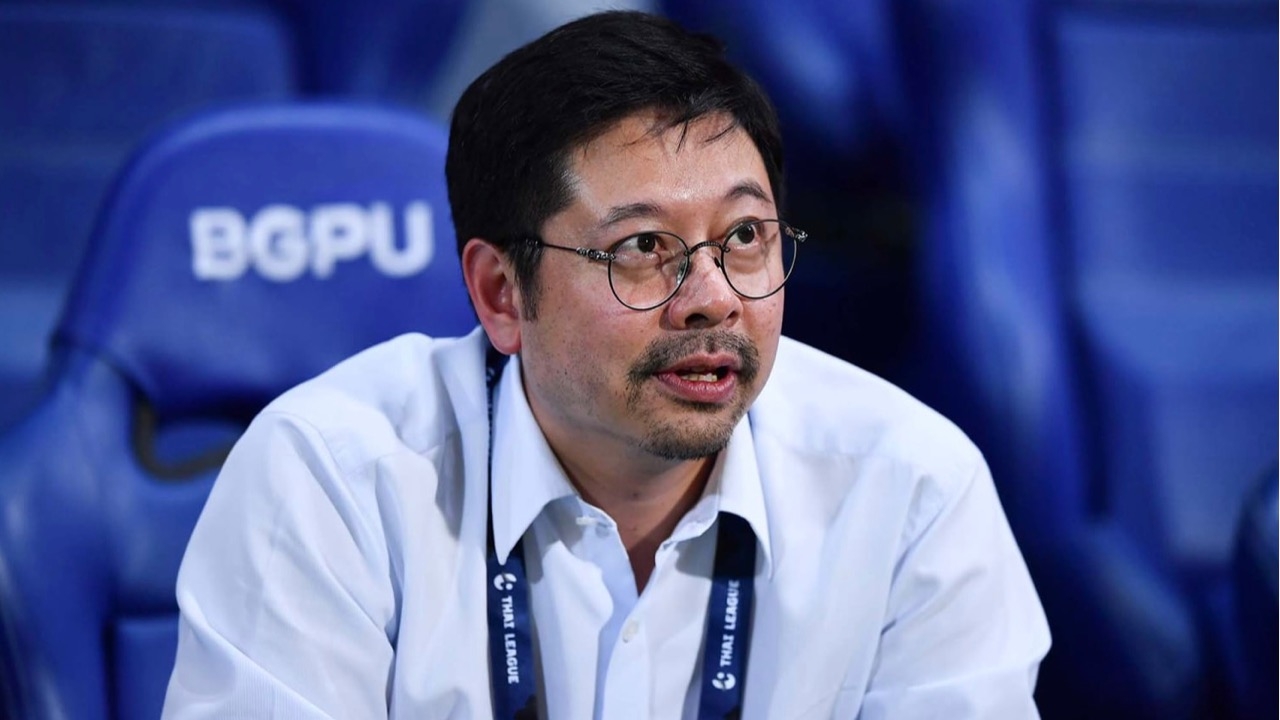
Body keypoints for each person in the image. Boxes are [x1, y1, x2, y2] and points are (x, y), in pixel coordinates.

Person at [163, 10, 1050, 719]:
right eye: (643, 247)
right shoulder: (332, 479)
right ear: (501, 293)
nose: (712, 298)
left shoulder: (910, 489)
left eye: (746, 236)